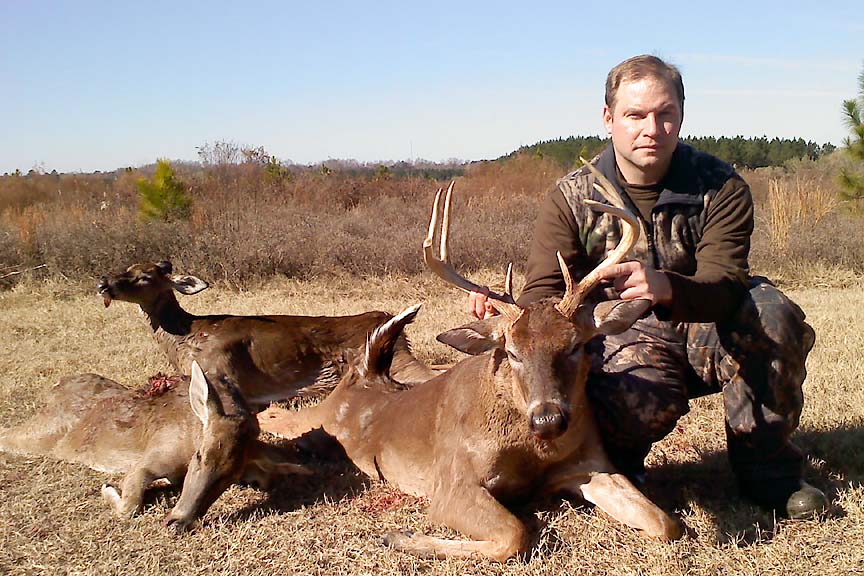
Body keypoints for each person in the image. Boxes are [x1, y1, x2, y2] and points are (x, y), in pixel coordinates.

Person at [468, 54, 827, 519]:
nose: (651, 129)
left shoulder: (720, 187)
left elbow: (726, 281)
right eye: (635, 115)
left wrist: (664, 285)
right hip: (624, 337)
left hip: (705, 326)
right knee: (631, 391)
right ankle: (617, 466)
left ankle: (768, 472)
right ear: (608, 118)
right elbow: (544, 293)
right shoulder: (572, 197)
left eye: (665, 114)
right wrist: (508, 313)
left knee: (772, 312)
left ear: (681, 114)